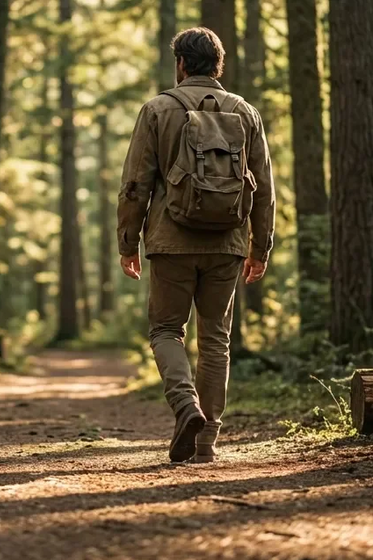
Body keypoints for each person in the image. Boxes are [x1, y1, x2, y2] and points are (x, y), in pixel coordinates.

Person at [117, 27, 275, 463]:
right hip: (227, 243)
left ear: (181, 64)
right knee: (216, 340)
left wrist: (128, 242)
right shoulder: (245, 113)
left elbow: (136, 184)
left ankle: (186, 406)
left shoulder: (157, 109)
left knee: (167, 330)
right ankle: (207, 445)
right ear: (218, 64)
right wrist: (260, 248)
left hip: (171, 241)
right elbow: (264, 190)